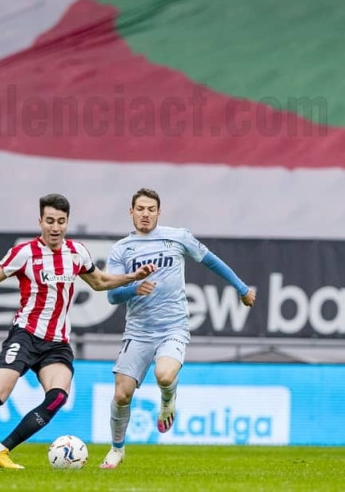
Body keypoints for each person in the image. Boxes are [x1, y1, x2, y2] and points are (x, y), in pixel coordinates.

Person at [0, 193, 155, 470]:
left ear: (67, 222)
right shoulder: (24, 253)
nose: (55, 227)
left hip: (57, 344)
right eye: (50, 221)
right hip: (26, 335)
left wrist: (132, 277)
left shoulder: (77, 252)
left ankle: (0, 452)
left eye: (61, 221)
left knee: (57, 396)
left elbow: (99, 282)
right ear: (40, 221)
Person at [99, 187, 257, 469]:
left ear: (159, 212)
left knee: (164, 374)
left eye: (151, 209)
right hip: (137, 331)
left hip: (173, 327)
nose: (145, 214)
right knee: (122, 395)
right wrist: (134, 287)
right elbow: (112, 296)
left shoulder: (178, 237)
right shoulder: (121, 249)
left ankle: (168, 399)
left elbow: (212, 261)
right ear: (131, 212)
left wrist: (242, 288)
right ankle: (117, 449)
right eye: (140, 209)